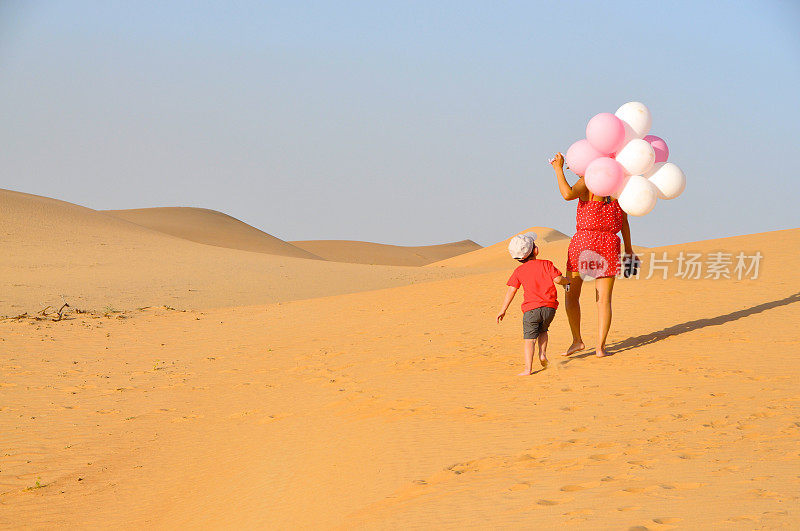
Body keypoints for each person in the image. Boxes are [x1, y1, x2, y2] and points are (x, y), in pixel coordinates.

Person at [550, 152, 637, 358]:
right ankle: (600, 347)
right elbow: (624, 221)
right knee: (604, 300)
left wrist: (558, 169)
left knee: (571, 293)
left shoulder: (587, 181)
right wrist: (629, 249)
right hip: (609, 243)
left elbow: (567, 194)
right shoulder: (619, 186)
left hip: (584, 242)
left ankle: (577, 340)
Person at [496, 233, 570, 375]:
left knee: (529, 340)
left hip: (531, 310)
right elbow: (558, 279)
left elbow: (512, 290)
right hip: (549, 308)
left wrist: (503, 309)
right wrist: (567, 281)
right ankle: (542, 354)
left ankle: (528, 369)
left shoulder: (518, 271)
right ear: (535, 251)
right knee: (543, 331)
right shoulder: (546, 264)